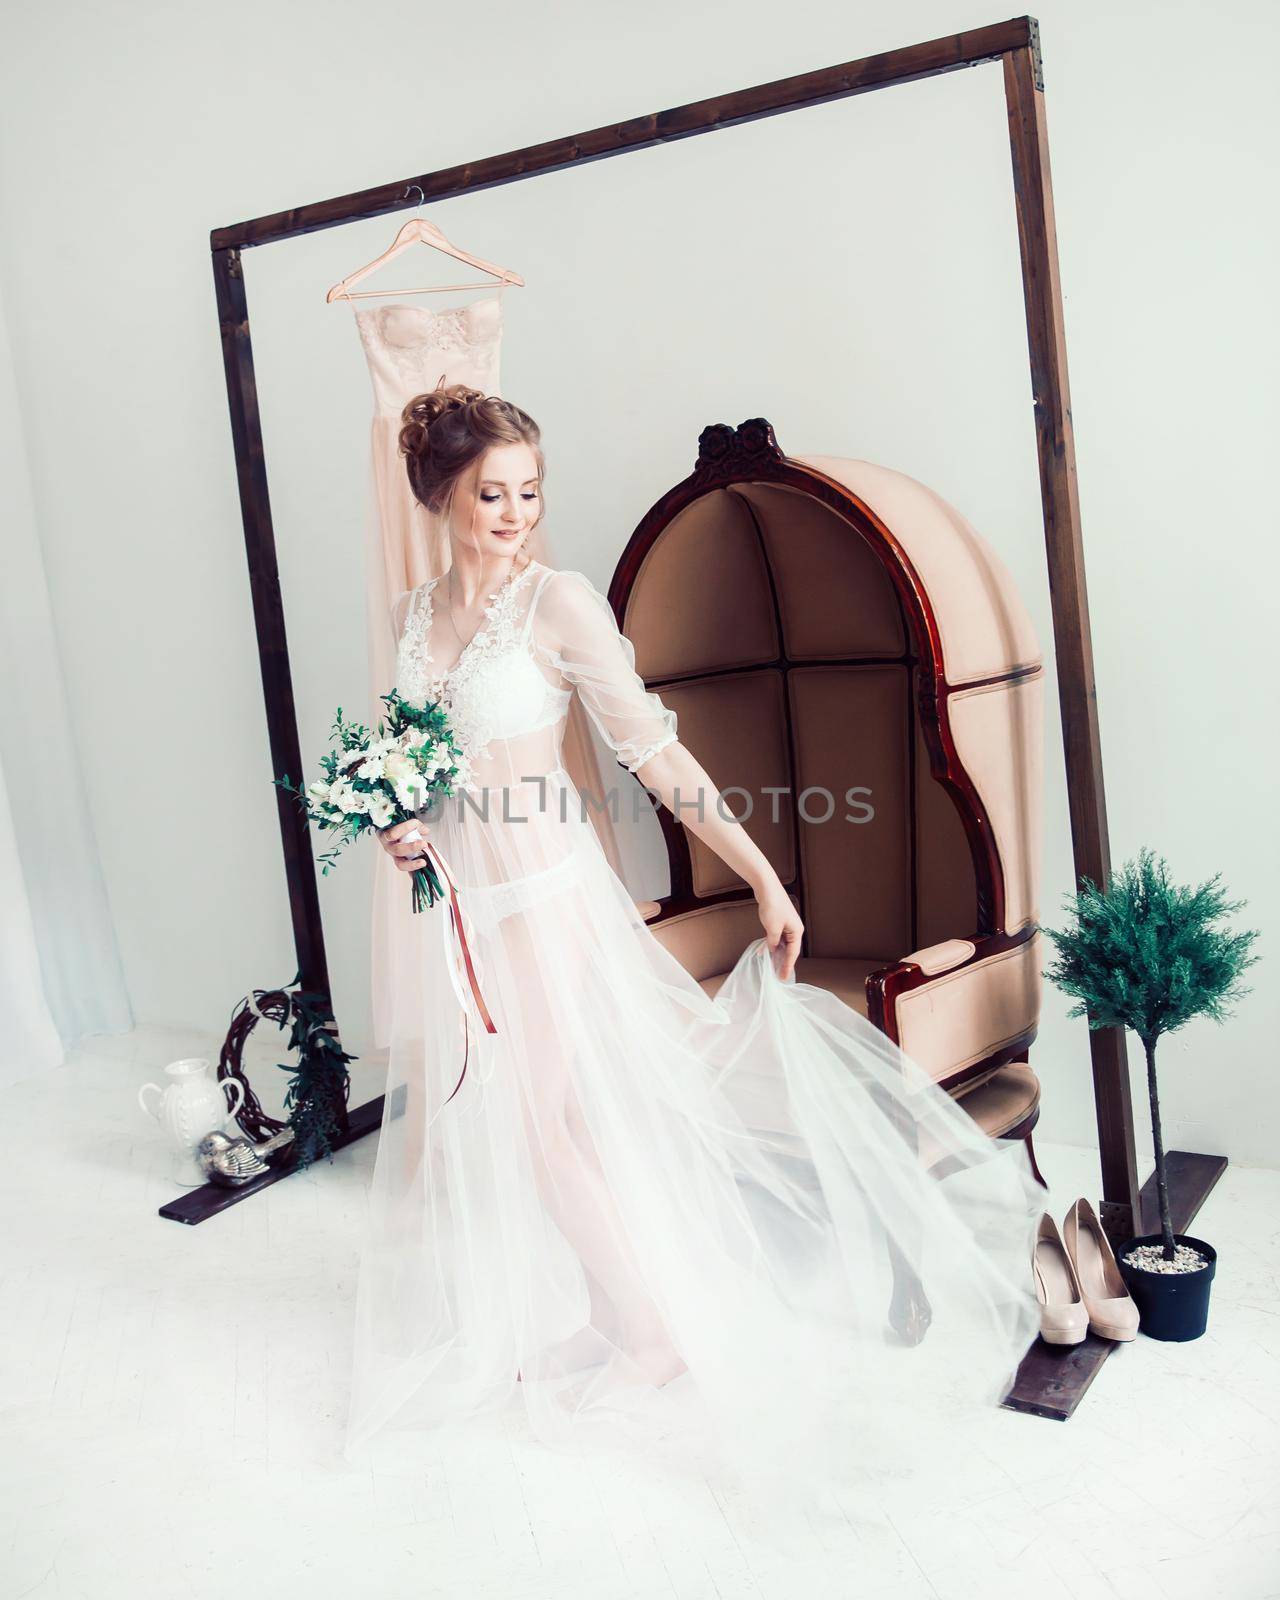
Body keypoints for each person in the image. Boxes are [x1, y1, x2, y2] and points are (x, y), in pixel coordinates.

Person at [344, 383, 1044, 1498]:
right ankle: (605, 1309)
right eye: (492, 492)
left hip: (541, 893)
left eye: (530, 488)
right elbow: (411, 754)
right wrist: (400, 819)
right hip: (464, 895)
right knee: (538, 1117)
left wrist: (759, 868)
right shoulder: (412, 615)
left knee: (539, 1125)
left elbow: (654, 755)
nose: (516, 509)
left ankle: (651, 1333)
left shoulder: (558, 604)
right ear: (440, 494)